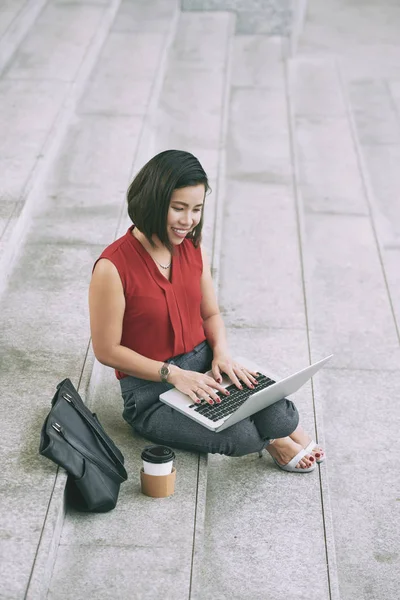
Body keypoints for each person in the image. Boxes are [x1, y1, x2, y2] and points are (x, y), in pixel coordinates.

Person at [89, 150, 325, 472]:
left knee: (281, 413)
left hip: (206, 367)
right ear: (154, 202)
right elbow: (106, 350)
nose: (188, 221)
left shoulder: (191, 246)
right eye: (178, 208)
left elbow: (210, 315)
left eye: (196, 209)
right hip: (150, 393)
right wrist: (172, 374)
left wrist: (222, 355)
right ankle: (276, 439)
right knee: (242, 436)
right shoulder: (112, 267)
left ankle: (279, 429)